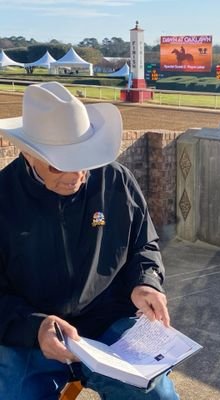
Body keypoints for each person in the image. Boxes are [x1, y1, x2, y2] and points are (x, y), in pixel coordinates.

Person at [0, 81, 179, 400]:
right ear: (28, 153)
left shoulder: (116, 180)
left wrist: (145, 282)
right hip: (29, 334)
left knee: (157, 396)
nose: (75, 175)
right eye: (59, 164)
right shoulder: (3, 196)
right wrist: (34, 327)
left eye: (84, 159)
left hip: (108, 326)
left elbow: (144, 245)